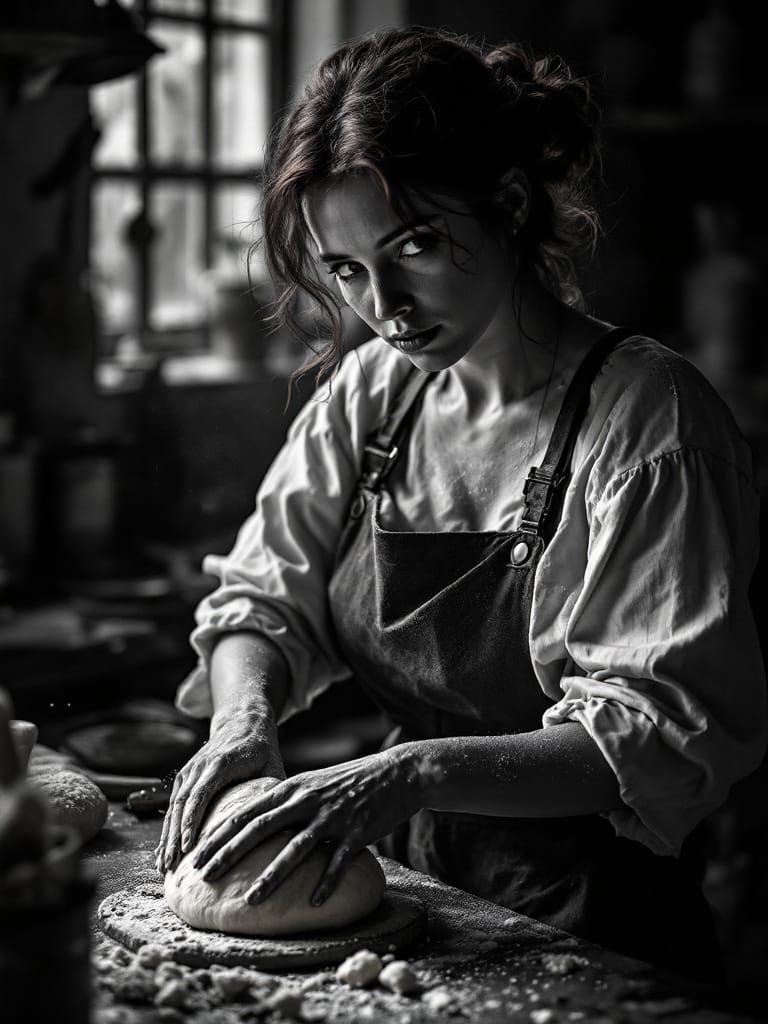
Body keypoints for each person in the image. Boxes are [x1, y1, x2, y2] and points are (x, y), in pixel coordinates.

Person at [154, 26, 768, 980]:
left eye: (417, 247)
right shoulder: (373, 396)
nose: (386, 306)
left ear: (510, 203)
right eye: (348, 270)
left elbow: (658, 733)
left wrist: (409, 772)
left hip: (595, 923)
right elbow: (261, 602)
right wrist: (244, 724)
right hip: (415, 896)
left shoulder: (650, 422)